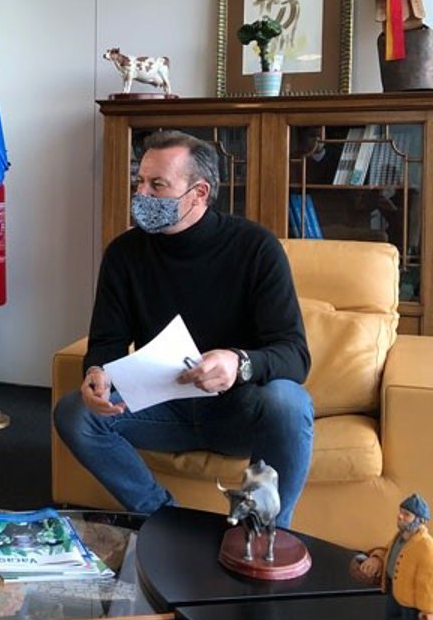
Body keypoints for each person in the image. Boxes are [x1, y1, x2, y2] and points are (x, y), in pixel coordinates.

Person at [53, 129, 313, 528]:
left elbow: (294, 355)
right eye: (140, 182)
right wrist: (97, 373)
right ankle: (166, 521)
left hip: (237, 411)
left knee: (289, 402)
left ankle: (265, 535)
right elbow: (106, 340)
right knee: (74, 413)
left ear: (199, 193)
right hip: (161, 406)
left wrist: (239, 362)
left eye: (157, 185)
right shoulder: (124, 254)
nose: (142, 195)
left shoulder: (256, 248)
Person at [353, 494, 433, 620]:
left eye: (406, 514)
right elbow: (388, 551)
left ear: (420, 520)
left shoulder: (425, 546)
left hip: (413, 603)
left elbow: (429, 582)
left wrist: (428, 610)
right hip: (395, 591)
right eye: (401, 512)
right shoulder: (401, 537)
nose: (400, 516)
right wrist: (377, 558)